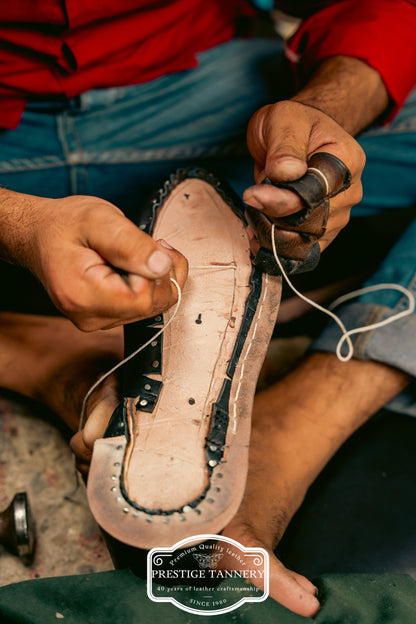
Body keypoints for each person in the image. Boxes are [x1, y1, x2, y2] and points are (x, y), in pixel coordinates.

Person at [1, 0, 416, 618]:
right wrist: (16, 222)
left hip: (200, 87)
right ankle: (52, 359)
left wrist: (324, 115)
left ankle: (293, 426)